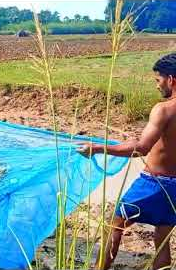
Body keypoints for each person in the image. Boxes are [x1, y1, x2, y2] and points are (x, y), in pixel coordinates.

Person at [78, 53, 176, 270]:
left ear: (171, 80)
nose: (157, 86)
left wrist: (98, 148)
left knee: (115, 225)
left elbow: (141, 147)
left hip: (154, 184)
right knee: (162, 238)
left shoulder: (164, 109)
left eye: (158, 80)